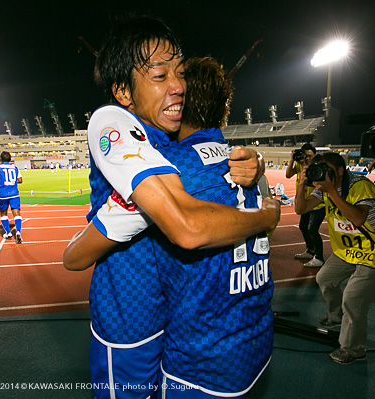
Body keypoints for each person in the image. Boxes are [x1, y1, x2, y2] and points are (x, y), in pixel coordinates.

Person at [64, 16, 278, 399]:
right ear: (123, 92)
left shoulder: (167, 144)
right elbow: (187, 225)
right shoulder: (112, 120)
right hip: (127, 322)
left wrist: (254, 162)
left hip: (171, 316)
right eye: (160, 76)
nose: (179, 87)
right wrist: (265, 215)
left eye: (180, 74)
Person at [295, 152, 375, 365]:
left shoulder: (360, 186)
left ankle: (353, 348)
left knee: (353, 299)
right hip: (347, 253)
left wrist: (332, 191)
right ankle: (336, 317)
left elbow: (358, 218)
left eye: (326, 169)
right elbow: (301, 208)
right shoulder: (323, 188)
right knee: (324, 279)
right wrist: (301, 184)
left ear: (340, 171)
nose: (321, 174)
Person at [286, 143, 326, 267]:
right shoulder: (299, 166)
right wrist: (292, 160)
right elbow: (288, 175)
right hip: (304, 204)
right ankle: (310, 250)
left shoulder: (317, 168)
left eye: (310, 156)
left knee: (312, 229)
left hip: (317, 204)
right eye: (306, 156)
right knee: (303, 226)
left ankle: (319, 257)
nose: (308, 158)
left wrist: (307, 167)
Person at [0, 151, 23, 244]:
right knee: (16, 212)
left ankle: (8, 233)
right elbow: (20, 180)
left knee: (3, 213)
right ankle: (18, 231)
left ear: (0, 159)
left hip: (2, 193)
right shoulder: (15, 168)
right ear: (10, 159)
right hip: (14, 193)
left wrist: (0, 180)